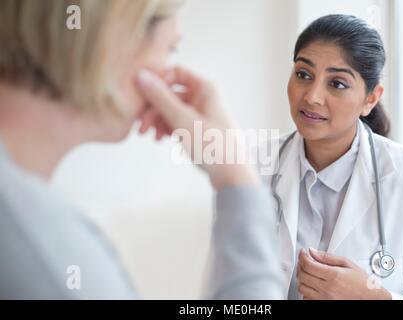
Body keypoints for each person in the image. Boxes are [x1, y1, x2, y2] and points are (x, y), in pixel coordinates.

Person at [0, 0, 283, 299]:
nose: (169, 76)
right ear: (112, 38)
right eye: (170, 50)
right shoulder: (42, 250)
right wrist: (238, 179)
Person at [258, 14, 403, 300]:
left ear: (370, 99)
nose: (312, 96)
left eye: (337, 84)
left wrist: (373, 297)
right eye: (303, 74)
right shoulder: (252, 168)